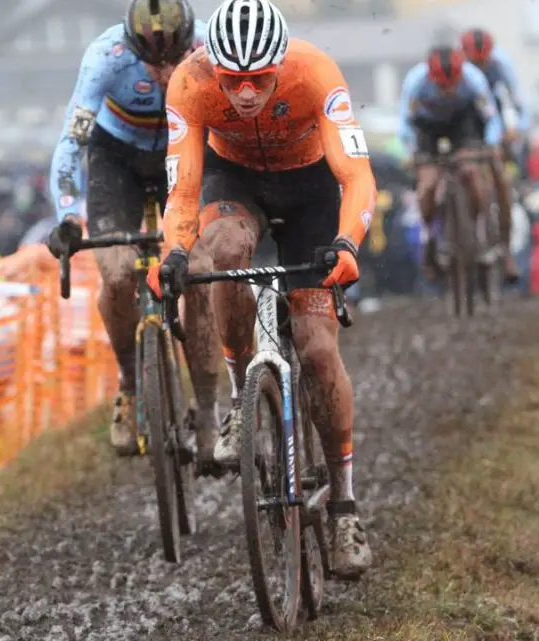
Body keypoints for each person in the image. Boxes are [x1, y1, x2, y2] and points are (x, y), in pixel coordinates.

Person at [146, 0, 376, 578]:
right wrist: (173, 251)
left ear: (280, 62)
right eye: (234, 81)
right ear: (214, 68)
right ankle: (236, 399)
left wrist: (347, 243)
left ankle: (345, 504)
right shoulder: (191, 82)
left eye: (258, 80)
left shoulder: (316, 73)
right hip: (236, 179)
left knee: (318, 347)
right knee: (221, 252)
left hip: (312, 187)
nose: (246, 94)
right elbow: (183, 188)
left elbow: (355, 174)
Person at [45, 0, 215, 459]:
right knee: (117, 274)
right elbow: (70, 143)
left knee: (198, 274)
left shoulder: (207, 52)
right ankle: (129, 384)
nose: (163, 73)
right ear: (130, 45)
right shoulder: (105, 57)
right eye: (152, 62)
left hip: (179, 154)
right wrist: (66, 214)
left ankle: (210, 407)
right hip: (115, 158)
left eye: (172, 59)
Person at [399, 43, 519, 281]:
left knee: (472, 171)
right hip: (428, 130)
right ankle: (431, 240)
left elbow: (490, 118)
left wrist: (491, 143)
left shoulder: (473, 79)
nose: (448, 90)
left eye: (453, 84)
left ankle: (484, 230)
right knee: (428, 186)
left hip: (463, 127)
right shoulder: (416, 82)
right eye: (442, 85)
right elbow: (405, 123)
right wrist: (410, 151)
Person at [460, 28, 531, 139]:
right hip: (467, 103)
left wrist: (520, 126)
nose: (480, 68)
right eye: (475, 63)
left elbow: (516, 95)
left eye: (483, 62)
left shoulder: (502, 63)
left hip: (493, 102)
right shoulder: (458, 63)